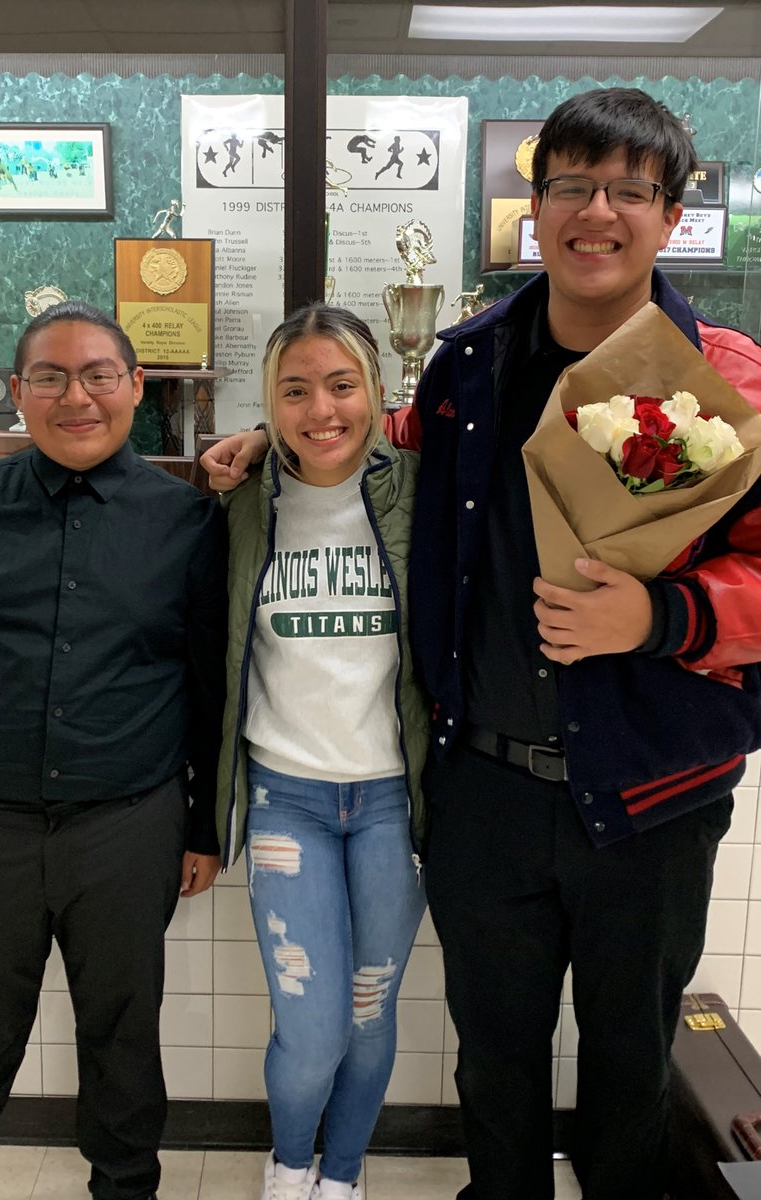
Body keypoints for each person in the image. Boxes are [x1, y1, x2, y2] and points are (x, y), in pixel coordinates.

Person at [201, 88, 761, 1200]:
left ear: (670, 212)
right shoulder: (469, 367)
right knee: (492, 1059)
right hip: (485, 792)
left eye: (628, 191)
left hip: (653, 797)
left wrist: (661, 619)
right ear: (534, 201)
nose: (595, 212)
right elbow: (383, 436)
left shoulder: (729, 384)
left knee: (630, 1062)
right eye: (569, 185)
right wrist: (283, 429)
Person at [0, 300, 227, 1200]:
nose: (78, 397)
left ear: (136, 387)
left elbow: (208, 686)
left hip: (128, 827)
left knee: (122, 1034)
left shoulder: (185, 521)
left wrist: (200, 825)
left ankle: (124, 1188)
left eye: (99, 375)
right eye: (51, 377)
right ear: (19, 392)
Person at [216, 304, 429, 1200]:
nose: (321, 410)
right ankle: (288, 1171)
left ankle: (341, 1180)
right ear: (269, 402)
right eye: (294, 391)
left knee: (371, 1018)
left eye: (342, 385)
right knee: (312, 1029)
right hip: (287, 800)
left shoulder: (421, 492)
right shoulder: (240, 505)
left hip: (392, 803)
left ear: (376, 389)